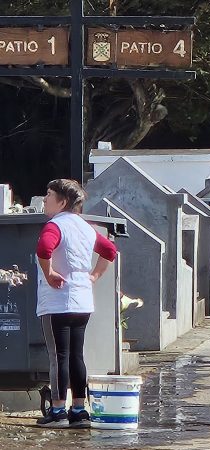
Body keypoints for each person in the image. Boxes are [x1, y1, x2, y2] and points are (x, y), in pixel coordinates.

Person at [35, 179, 118, 428]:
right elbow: (110, 251)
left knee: (58, 356)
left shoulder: (55, 225)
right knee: (76, 356)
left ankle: (58, 410)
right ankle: (79, 409)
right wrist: (93, 276)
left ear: (62, 201)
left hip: (57, 300)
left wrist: (49, 273)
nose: (45, 199)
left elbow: (44, 248)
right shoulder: (85, 227)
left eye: (49, 195)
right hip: (82, 301)